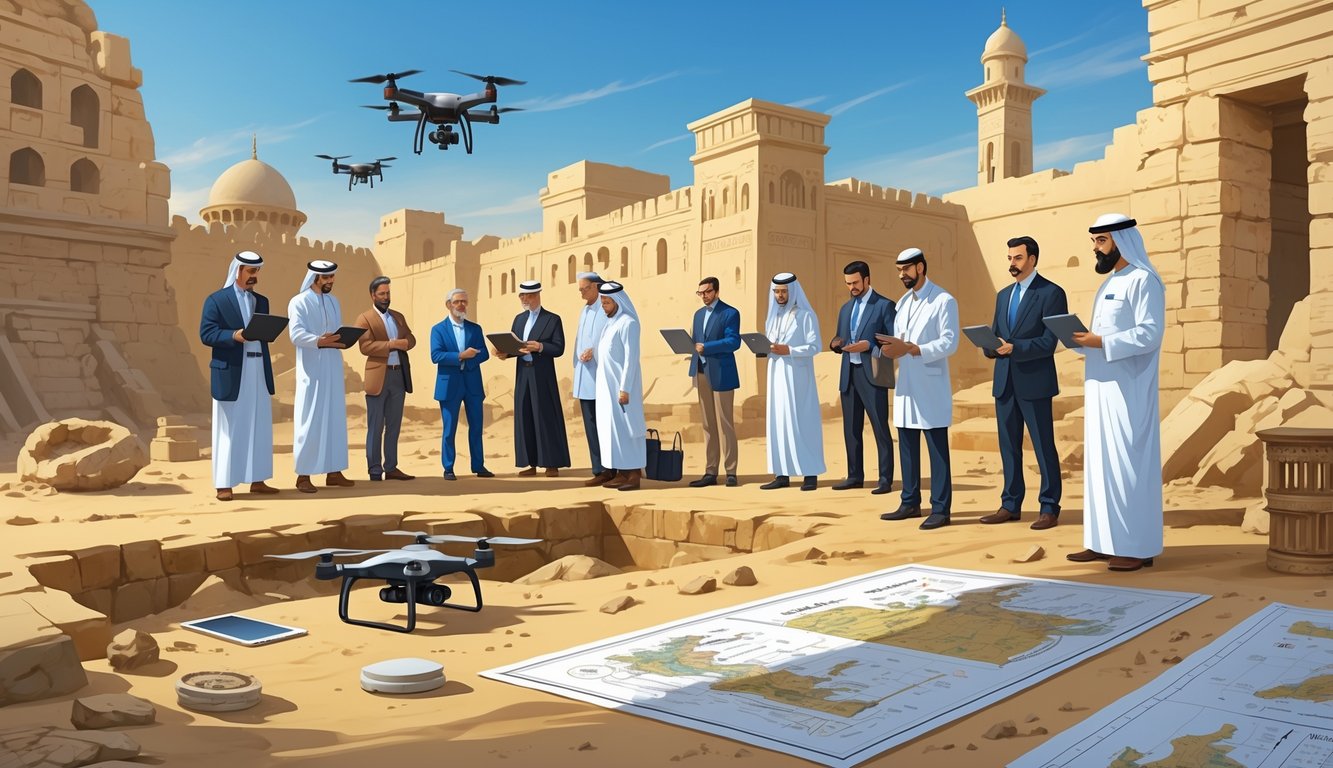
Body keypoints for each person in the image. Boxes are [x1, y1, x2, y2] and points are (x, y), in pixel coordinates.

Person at [1066, 214, 1166, 572]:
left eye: (1102, 241)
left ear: (1122, 241)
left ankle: (1135, 547)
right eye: (1094, 241)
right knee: (1100, 467)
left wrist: (1101, 341)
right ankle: (1102, 542)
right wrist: (1080, 341)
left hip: (1129, 393)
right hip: (1100, 389)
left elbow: (1149, 334)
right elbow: (1101, 336)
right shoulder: (1109, 283)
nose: (1096, 248)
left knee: (1128, 466)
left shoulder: (1144, 281)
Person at [979, 236, 1067, 531]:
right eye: (1009, 259)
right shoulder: (1003, 295)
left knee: (1043, 446)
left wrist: (1014, 347)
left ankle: (1049, 507)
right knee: (1008, 447)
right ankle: (1010, 504)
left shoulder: (1052, 293)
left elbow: (1049, 341)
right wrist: (989, 346)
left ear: (1032, 258)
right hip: (1004, 382)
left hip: (1035, 381)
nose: (1012, 264)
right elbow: (995, 334)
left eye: (1017, 258)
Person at [879, 248, 959, 530]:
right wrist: (892, 348)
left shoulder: (943, 300)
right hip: (906, 384)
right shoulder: (902, 303)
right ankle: (910, 501)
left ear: (921, 267)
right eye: (899, 270)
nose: (902, 275)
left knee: (936, 448)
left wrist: (914, 350)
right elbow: (901, 340)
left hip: (931, 383)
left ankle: (940, 508)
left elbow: (950, 342)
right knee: (908, 445)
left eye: (907, 269)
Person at [199, 250, 279, 502]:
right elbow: (207, 334)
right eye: (251, 272)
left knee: (259, 426)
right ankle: (225, 483)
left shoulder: (262, 301)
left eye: (257, 272)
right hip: (232, 371)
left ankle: (258, 479)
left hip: (258, 370)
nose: (255, 277)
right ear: (238, 271)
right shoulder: (217, 300)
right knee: (229, 428)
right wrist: (235, 336)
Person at [829, 260, 896, 494]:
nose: (852, 288)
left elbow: (893, 340)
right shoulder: (845, 309)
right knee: (851, 429)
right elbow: (840, 336)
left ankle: (885, 479)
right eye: (848, 283)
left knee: (879, 427)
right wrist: (835, 343)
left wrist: (869, 345)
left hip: (873, 374)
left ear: (867, 279)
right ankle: (854, 475)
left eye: (855, 282)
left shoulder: (884, 306)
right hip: (849, 374)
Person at [287, 260, 353, 493]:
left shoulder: (334, 301)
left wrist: (341, 338)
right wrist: (318, 340)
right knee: (310, 419)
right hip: (312, 368)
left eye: (332, 277)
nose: (330, 281)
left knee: (334, 419)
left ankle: (333, 471)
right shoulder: (299, 301)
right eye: (326, 278)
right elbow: (295, 334)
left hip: (333, 365)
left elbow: (336, 329)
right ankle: (303, 475)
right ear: (315, 277)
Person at [495, 281, 570, 477]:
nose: (523, 300)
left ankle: (551, 463)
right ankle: (531, 462)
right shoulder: (519, 320)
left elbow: (559, 348)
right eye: (521, 296)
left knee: (545, 416)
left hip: (542, 373)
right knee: (525, 416)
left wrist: (540, 347)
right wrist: (504, 353)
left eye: (526, 296)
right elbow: (516, 346)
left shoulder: (552, 319)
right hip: (523, 373)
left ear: (536, 295)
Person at [761, 273, 825, 491]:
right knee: (778, 422)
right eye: (777, 292)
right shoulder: (772, 317)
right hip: (776, 374)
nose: (780, 295)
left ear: (792, 291)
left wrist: (789, 350)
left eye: (784, 291)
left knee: (803, 422)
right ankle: (781, 474)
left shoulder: (806, 315)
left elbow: (815, 347)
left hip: (798, 378)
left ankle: (810, 474)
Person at [354, 276, 416, 482]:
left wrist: (404, 342)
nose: (386, 297)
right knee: (376, 425)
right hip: (378, 376)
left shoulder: (397, 317)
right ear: (373, 295)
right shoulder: (364, 318)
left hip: (399, 375)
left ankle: (391, 467)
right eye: (382, 294)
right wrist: (391, 345)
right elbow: (365, 347)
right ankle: (374, 469)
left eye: (388, 293)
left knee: (394, 425)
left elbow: (411, 339)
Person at [429, 288, 493, 481]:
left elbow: (484, 353)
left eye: (464, 301)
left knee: (476, 427)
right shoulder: (438, 329)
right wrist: (460, 356)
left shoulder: (475, 328)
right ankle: (448, 467)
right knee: (449, 429)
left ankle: (478, 465)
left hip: (472, 383)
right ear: (449, 304)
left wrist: (469, 361)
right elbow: (436, 355)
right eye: (457, 302)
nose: (461, 305)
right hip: (449, 385)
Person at [688, 277, 742, 487]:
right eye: (700, 293)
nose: (704, 296)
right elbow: (695, 341)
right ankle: (710, 471)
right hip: (701, 371)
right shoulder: (698, 314)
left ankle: (731, 471)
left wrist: (707, 348)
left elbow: (733, 341)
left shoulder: (730, 313)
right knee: (708, 424)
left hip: (722, 373)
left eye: (707, 292)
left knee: (725, 423)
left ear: (717, 292)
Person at [595, 282, 646, 491]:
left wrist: (625, 388)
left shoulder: (628, 323)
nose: (604, 306)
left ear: (618, 301)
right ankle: (622, 472)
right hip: (607, 389)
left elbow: (630, 360)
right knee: (613, 431)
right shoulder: (611, 324)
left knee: (629, 429)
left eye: (607, 302)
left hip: (623, 388)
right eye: (602, 302)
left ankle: (634, 475)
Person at [573, 272, 613, 486]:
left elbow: (609, 338)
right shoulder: (585, 310)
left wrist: (594, 351)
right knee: (590, 424)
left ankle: (610, 468)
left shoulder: (606, 308)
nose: (581, 294)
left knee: (604, 423)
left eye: (584, 289)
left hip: (601, 375)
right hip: (584, 374)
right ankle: (598, 468)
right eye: (579, 290)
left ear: (596, 286)